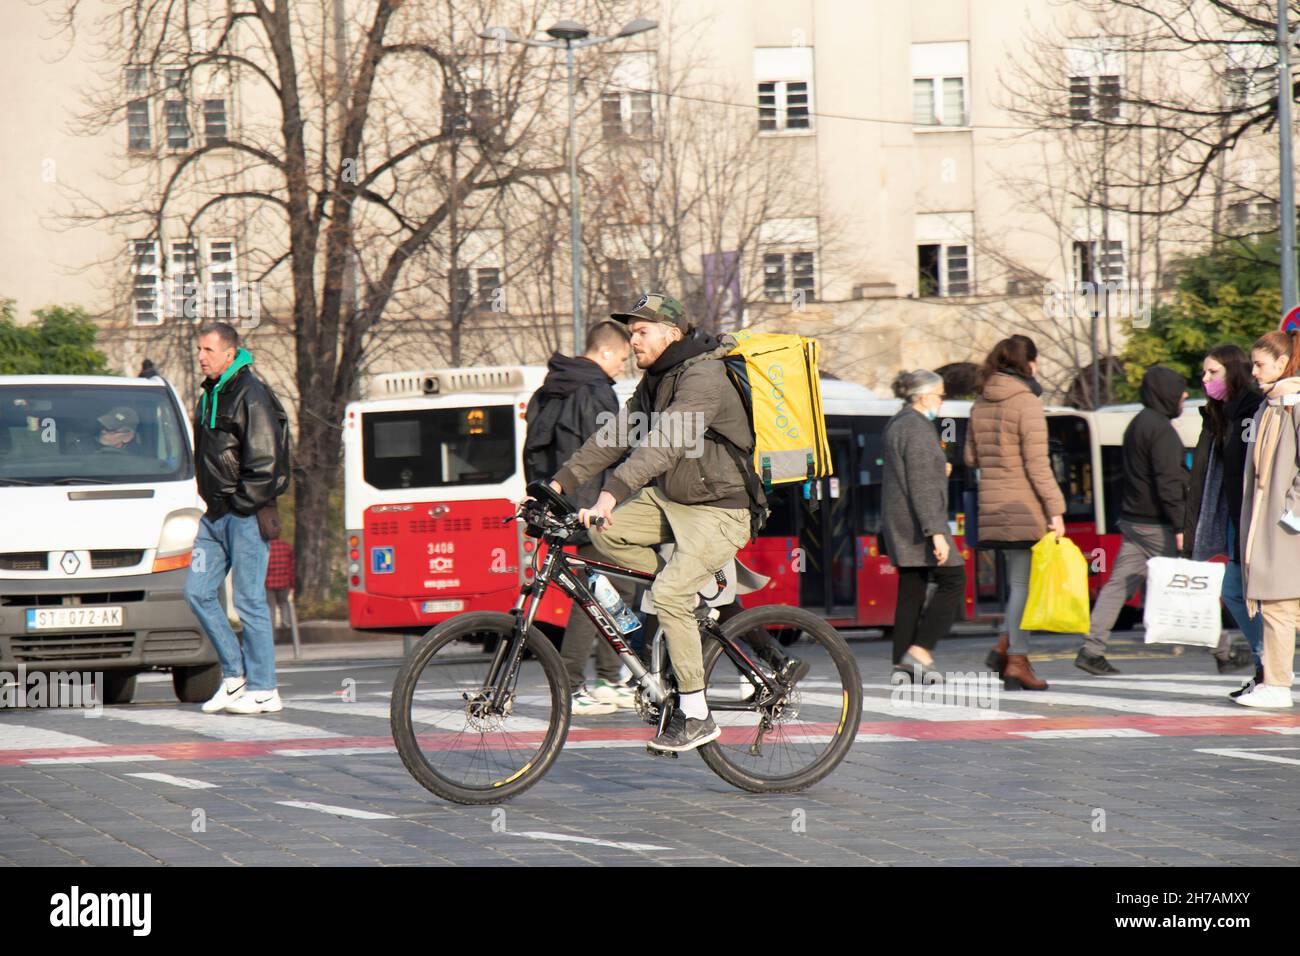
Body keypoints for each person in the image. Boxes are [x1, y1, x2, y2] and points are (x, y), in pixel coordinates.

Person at [548, 292, 760, 753]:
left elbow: (665, 442)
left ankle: (697, 714)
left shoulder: (705, 375)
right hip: (675, 499)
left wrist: (612, 491)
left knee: (668, 595)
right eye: (630, 333)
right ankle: (681, 605)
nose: (633, 340)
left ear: (672, 333)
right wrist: (560, 483)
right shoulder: (656, 381)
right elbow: (616, 437)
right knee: (605, 534)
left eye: (641, 331)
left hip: (721, 508)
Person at [524, 320, 636, 717]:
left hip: (564, 503)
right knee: (597, 595)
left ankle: (609, 676)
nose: (624, 366)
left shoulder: (551, 388)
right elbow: (605, 452)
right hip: (593, 508)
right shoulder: (594, 392)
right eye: (623, 358)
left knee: (617, 590)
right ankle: (574, 684)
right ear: (605, 353)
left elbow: (536, 449)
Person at [184, 322, 284, 715]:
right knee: (197, 591)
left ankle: (265, 689)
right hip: (214, 517)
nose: (201, 356)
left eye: (208, 349)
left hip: (243, 515)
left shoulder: (251, 394)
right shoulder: (211, 393)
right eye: (198, 350)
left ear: (230, 353)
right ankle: (235, 676)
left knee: (248, 600)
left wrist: (241, 505)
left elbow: (267, 464)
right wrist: (216, 506)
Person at [964, 335, 1065, 691]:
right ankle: (1017, 660)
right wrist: (1056, 510)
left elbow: (970, 458)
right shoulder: (1026, 402)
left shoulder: (980, 402)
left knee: (1017, 584)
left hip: (991, 505)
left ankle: (1004, 646)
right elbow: (1038, 465)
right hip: (1022, 506)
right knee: (1023, 585)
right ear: (1029, 363)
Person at [1077, 366, 1188, 676]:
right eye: (1179, 390)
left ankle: (1091, 649)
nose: (1183, 396)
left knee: (1116, 586)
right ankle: (1224, 650)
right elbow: (1169, 483)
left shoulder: (1137, 424)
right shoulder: (1162, 430)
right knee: (1184, 584)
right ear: (1165, 392)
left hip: (1133, 521)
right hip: (1156, 524)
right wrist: (1180, 526)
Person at [1181, 345, 1261, 685]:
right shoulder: (1218, 414)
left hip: (1253, 516)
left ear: (1233, 371)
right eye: (1204, 373)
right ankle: (1266, 667)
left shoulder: (1253, 410)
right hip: (1234, 518)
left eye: (1213, 372)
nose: (1205, 379)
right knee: (1233, 593)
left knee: (1249, 594)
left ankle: (1269, 667)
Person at [881, 369, 965, 682]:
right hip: (918, 525)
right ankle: (920, 651)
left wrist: (936, 470)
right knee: (954, 579)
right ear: (925, 396)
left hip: (903, 521)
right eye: (940, 395)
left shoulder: (898, 422)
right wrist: (937, 532)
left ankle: (902, 667)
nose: (942, 402)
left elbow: (914, 475)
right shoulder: (917, 428)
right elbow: (921, 486)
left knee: (912, 590)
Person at [1235, 329, 1300, 709]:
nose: (1254, 371)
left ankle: (1277, 685)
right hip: (1272, 519)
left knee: (1277, 603)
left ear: (1281, 362)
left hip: (1285, 522)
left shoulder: (1291, 404)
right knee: (1278, 603)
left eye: (1260, 364)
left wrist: (1292, 516)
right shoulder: (1271, 404)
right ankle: (1273, 681)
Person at [265, 537, 296, 633]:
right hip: (284, 582)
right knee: (284, 603)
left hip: (268, 583)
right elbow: (291, 567)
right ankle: (285, 625)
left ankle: (271, 633)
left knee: (271, 607)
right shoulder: (287, 547)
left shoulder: (265, 547)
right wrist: (292, 583)